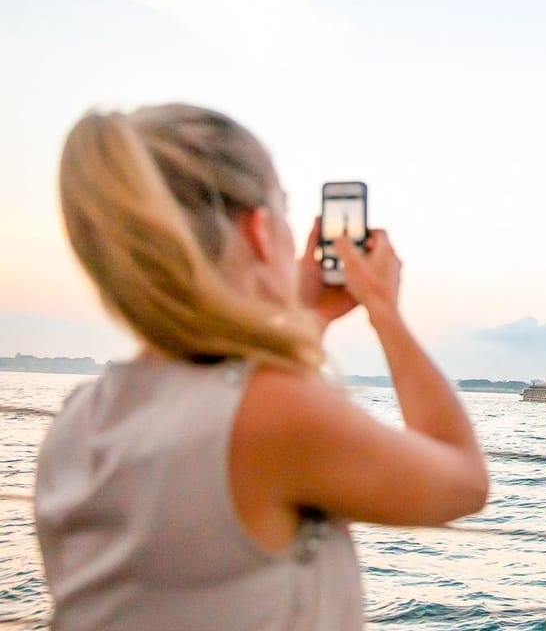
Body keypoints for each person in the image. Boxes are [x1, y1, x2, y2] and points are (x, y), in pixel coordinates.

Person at [35, 104, 489, 630]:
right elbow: (463, 480)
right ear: (259, 230)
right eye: (283, 211)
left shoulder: (77, 421)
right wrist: (384, 310)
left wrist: (308, 314)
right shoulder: (268, 412)